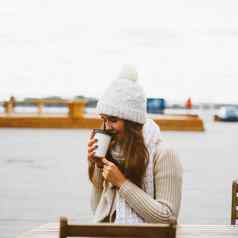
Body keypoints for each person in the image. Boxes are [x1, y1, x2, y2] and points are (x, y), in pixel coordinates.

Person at [87, 65, 183, 224]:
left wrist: (121, 183)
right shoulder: (114, 152)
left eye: (113, 120)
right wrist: (97, 165)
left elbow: (168, 218)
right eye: (104, 120)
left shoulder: (164, 154)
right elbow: (98, 212)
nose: (107, 127)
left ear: (132, 122)